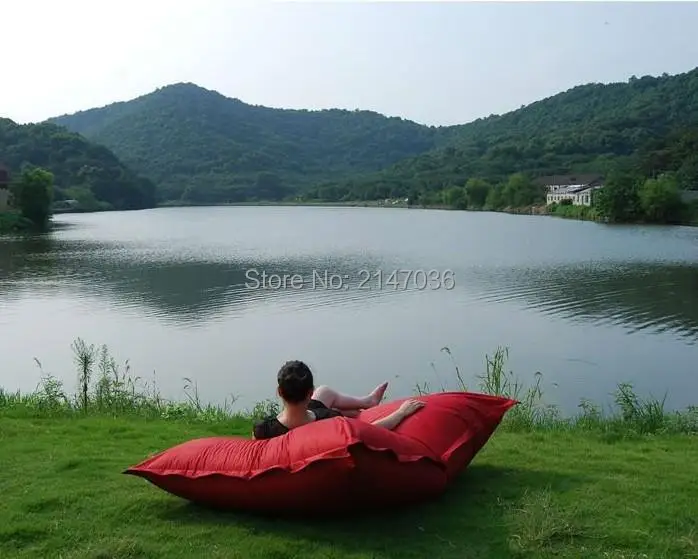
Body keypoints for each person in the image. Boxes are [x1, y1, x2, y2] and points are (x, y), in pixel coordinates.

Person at [252, 360, 425, 440]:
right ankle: (365, 406)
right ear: (309, 393)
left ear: (279, 392)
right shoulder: (332, 422)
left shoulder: (263, 430)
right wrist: (401, 412)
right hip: (313, 419)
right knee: (344, 409)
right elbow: (369, 431)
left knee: (325, 392)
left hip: (299, 416)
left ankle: (368, 402)